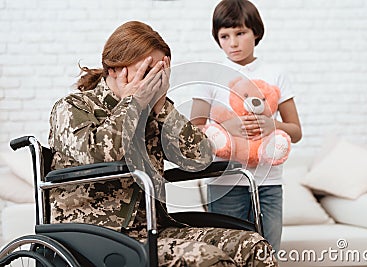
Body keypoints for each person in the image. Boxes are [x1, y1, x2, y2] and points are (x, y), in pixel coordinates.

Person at [48, 20, 278, 266]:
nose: (153, 81)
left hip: (154, 229)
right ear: (114, 69)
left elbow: (200, 158)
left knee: (254, 247)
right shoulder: (72, 107)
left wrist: (161, 108)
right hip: (95, 233)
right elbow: (101, 154)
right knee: (206, 259)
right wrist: (134, 102)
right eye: (146, 71)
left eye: (159, 72)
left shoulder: (153, 110)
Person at [190, 0, 302, 253]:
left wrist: (272, 125)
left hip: (269, 185)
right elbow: (195, 129)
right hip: (224, 184)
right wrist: (228, 127)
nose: (233, 42)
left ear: (256, 32)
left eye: (240, 33)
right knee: (228, 253)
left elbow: (296, 132)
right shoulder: (210, 75)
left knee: (267, 252)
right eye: (224, 36)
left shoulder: (276, 74)